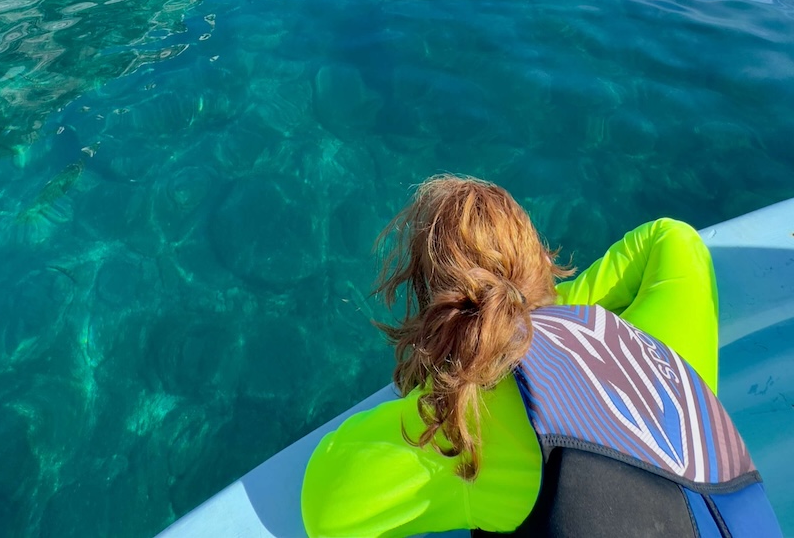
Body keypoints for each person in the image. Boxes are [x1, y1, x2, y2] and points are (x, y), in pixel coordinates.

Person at [301, 176, 780, 538]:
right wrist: (543, 313)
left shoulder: (473, 419)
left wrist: (463, 358)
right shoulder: (661, 346)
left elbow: (325, 506)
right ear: (540, 261)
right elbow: (673, 238)